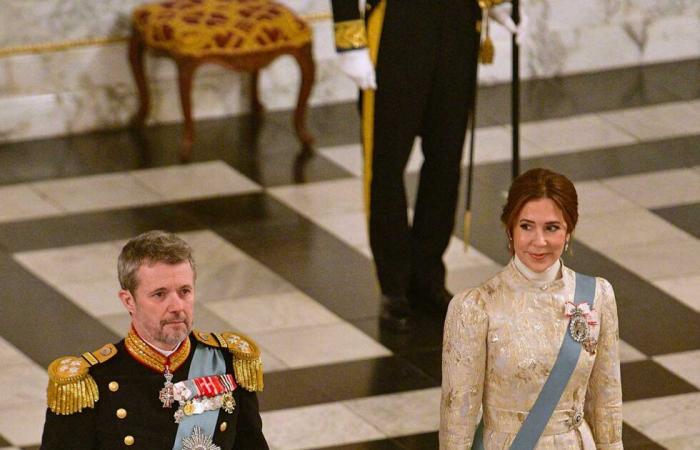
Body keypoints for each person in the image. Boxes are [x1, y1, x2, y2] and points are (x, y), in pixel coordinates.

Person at [329, 0, 525, 331]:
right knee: (386, 165)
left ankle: (427, 275)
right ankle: (394, 285)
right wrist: (350, 42)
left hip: (458, 24)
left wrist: (498, 3)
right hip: (398, 26)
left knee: (446, 159)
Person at [440, 168, 623, 449]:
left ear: (568, 231)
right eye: (526, 226)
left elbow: (606, 404)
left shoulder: (597, 295)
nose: (539, 241)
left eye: (552, 227)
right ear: (510, 229)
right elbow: (457, 419)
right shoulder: (475, 308)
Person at [41, 230, 269, 450]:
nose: (177, 307)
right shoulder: (90, 384)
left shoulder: (227, 361)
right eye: (160, 294)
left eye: (184, 291)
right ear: (129, 301)